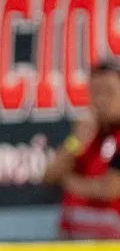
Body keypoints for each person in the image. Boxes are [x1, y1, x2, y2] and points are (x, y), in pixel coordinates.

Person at [44, 61, 120, 239]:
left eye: (109, 92)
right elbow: (49, 176)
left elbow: (109, 189)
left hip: (110, 245)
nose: (101, 100)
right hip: (72, 240)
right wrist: (76, 142)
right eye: (96, 92)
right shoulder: (84, 133)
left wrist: (66, 182)